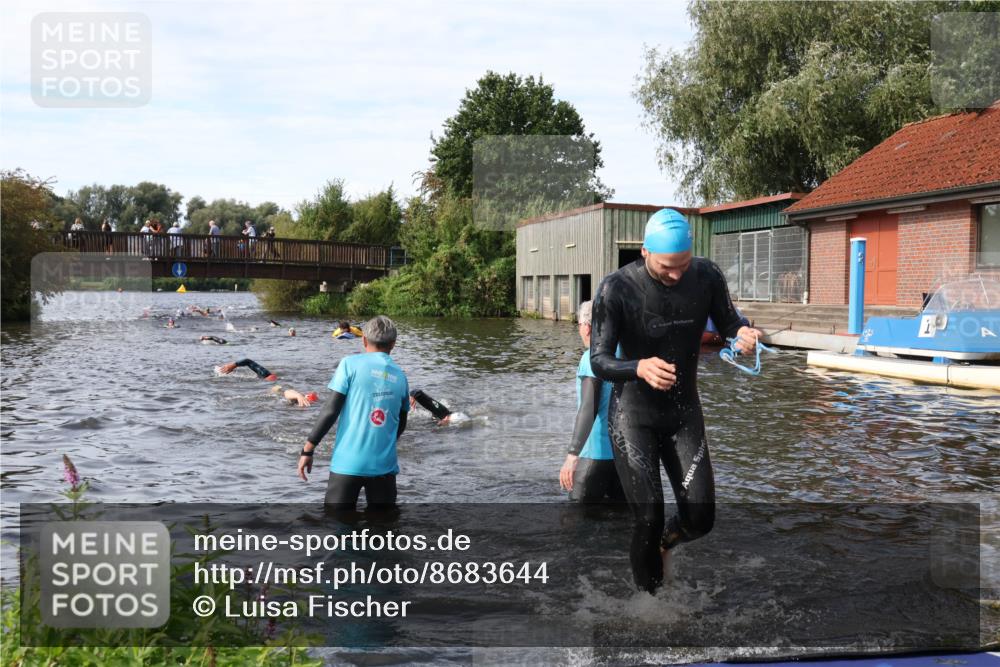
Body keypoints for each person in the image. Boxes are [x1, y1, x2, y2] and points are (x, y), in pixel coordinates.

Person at [590, 208, 759, 594]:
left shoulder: (707, 276)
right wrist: (638, 367)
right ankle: (649, 603)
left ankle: (666, 545)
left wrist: (744, 336)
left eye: (683, 264)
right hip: (634, 414)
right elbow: (599, 361)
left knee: (701, 518)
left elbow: (731, 322)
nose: (677, 274)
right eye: (668, 266)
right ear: (645, 251)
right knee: (648, 518)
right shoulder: (616, 288)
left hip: (683, 412)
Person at [297, 316, 410, 510]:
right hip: (384, 467)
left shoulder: (349, 364)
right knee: (383, 531)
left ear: (364, 340)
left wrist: (308, 449)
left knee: (337, 526)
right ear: (393, 344)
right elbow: (401, 421)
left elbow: (331, 410)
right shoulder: (401, 376)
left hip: (348, 464)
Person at [559, 300, 624, 503]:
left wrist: (572, 455)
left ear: (587, 327)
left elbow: (589, 408)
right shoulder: (625, 355)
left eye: (578, 324)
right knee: (619, 523)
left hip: (594, 455)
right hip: (624, 457)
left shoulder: (590, 359)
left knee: (574, 525)